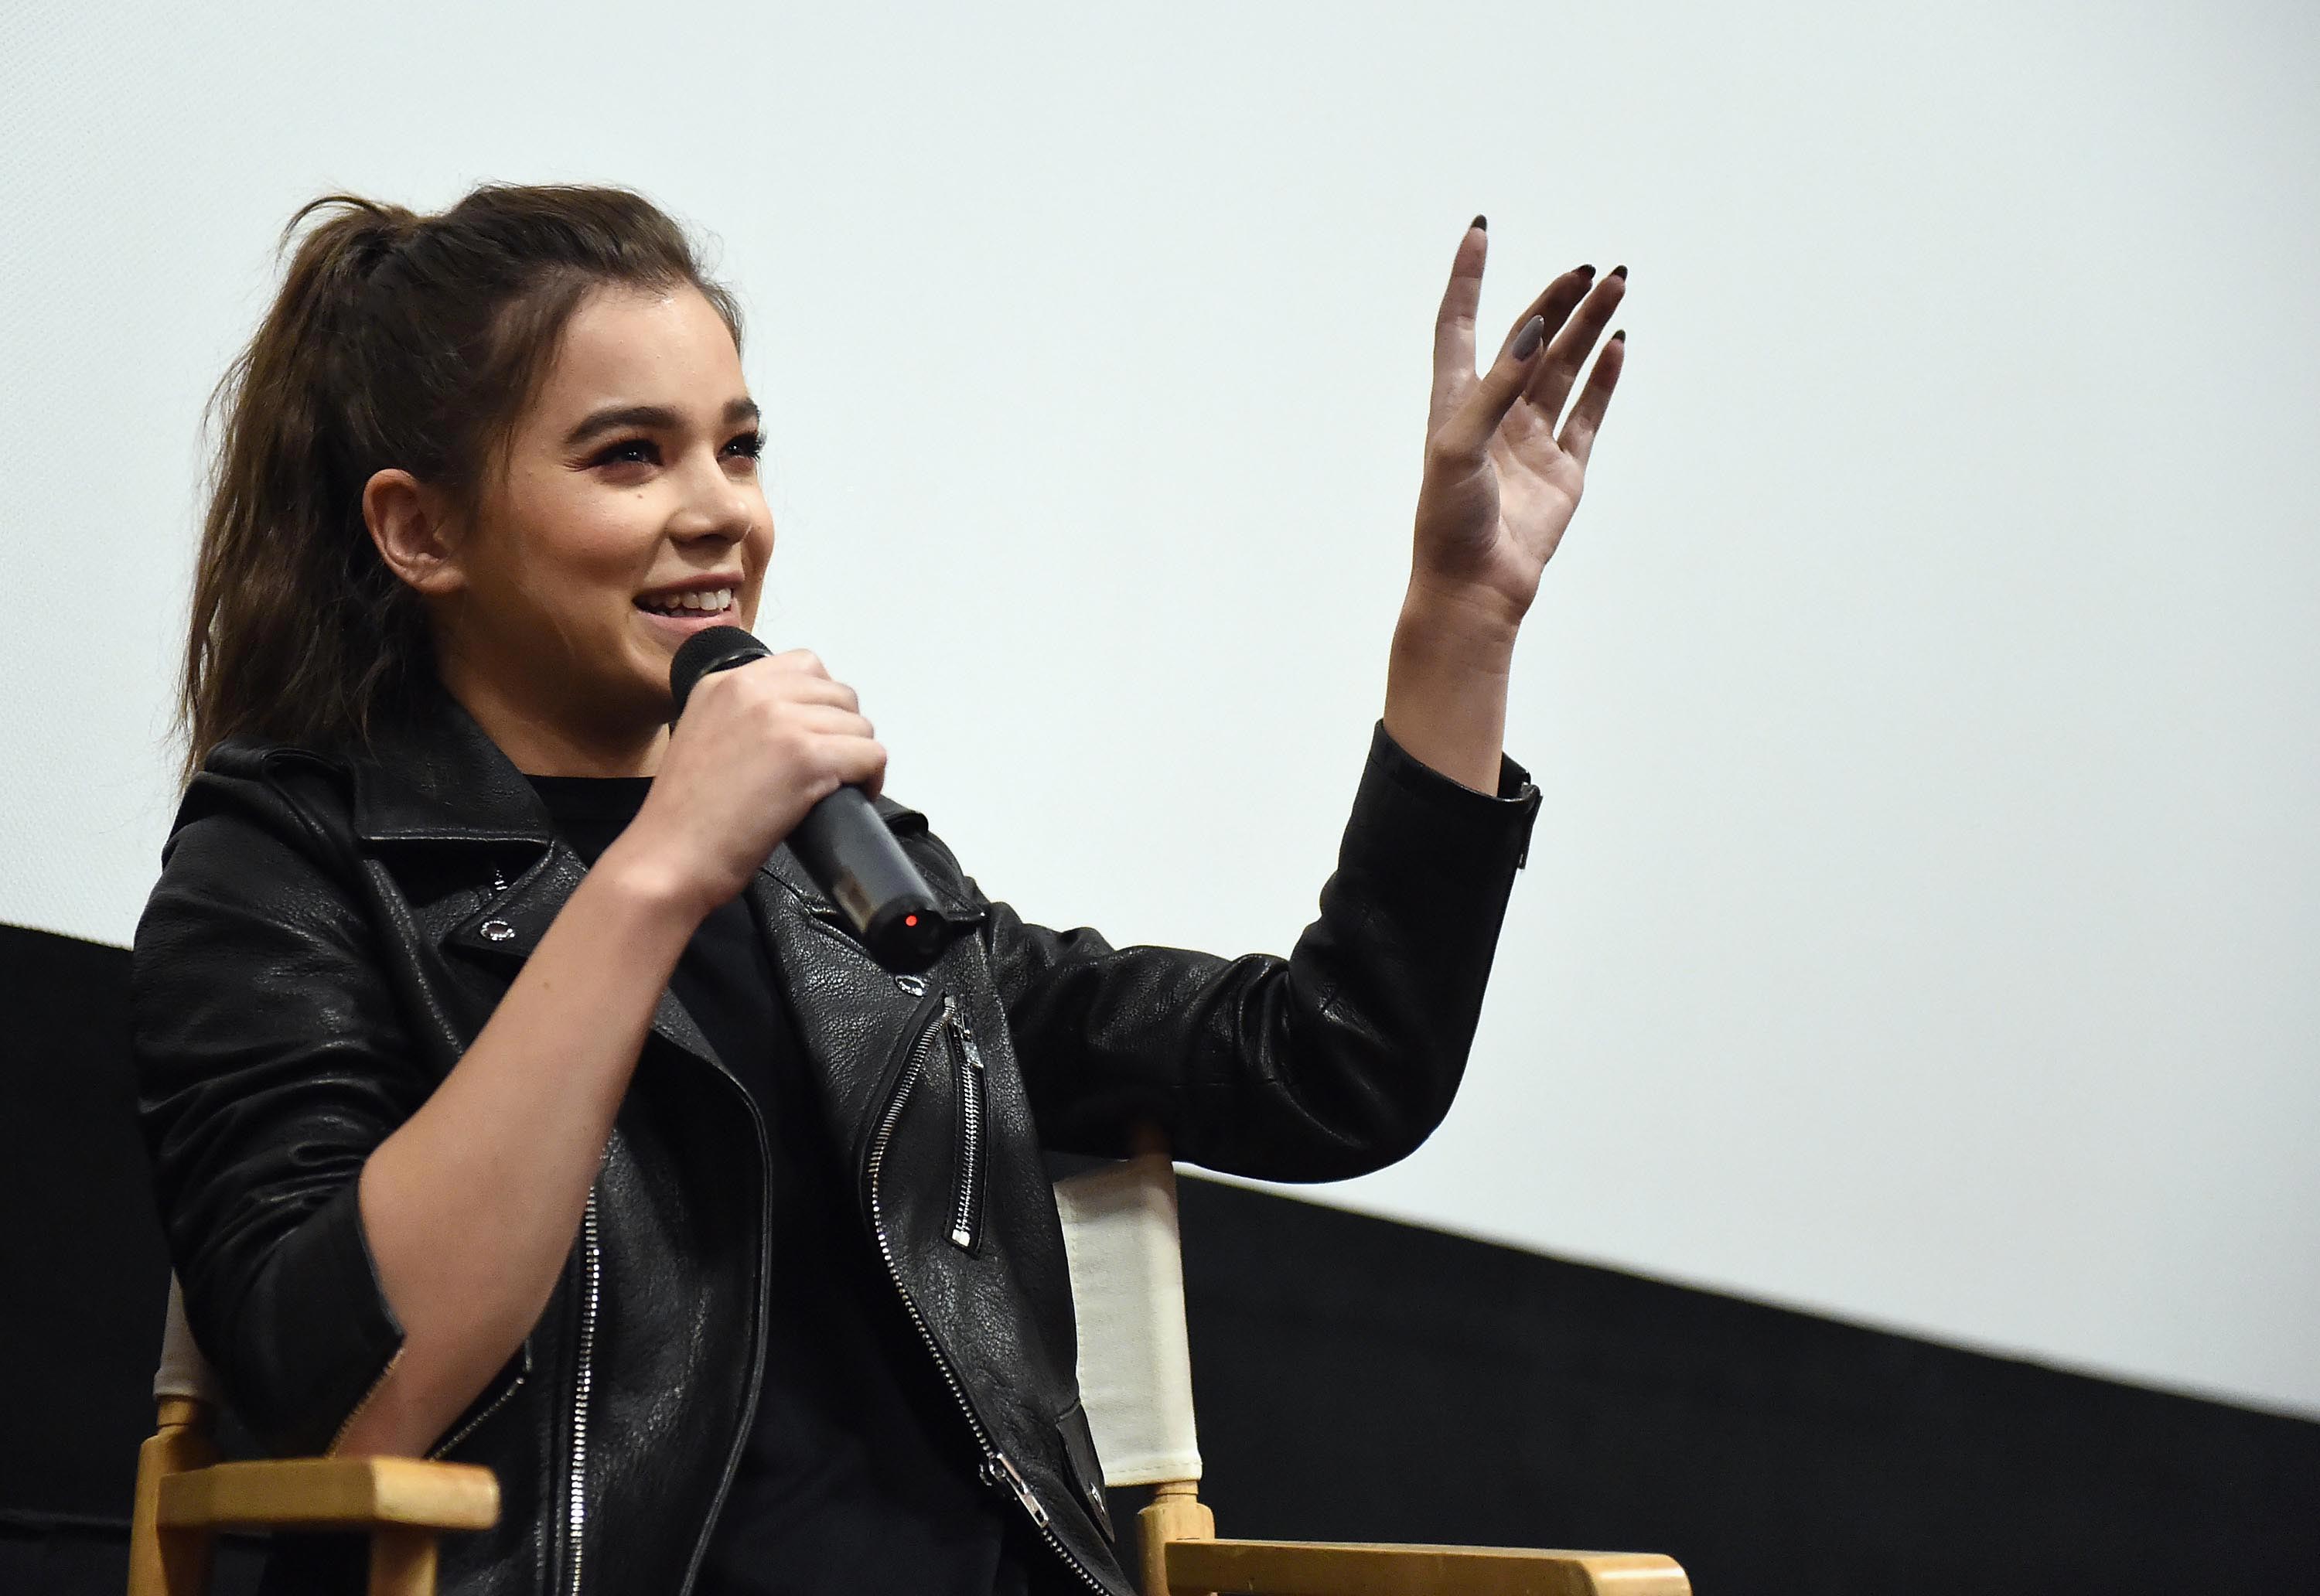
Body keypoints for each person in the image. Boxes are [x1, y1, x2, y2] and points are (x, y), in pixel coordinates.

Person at [132, 183, 1626, 1596]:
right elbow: (358, 1397)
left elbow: (1334, 1067)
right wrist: (660, 871)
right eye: (628, 455)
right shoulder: (290, 866)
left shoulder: (836, 875)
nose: (720, 512)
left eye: (740, 446)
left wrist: (1459, 626)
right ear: (421, 530)